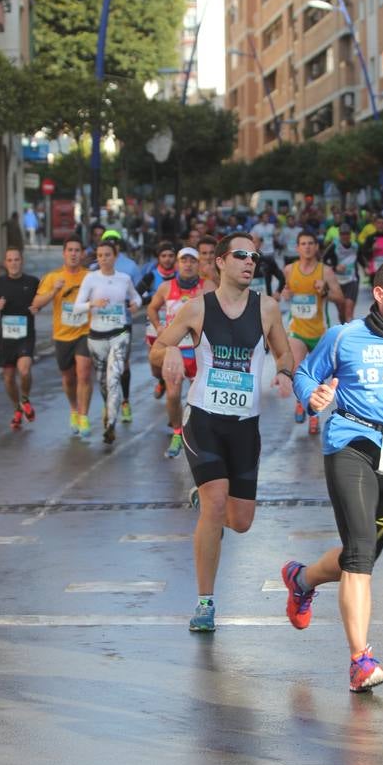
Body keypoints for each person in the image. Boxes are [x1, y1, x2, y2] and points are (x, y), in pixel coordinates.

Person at [283, 261, 383, 692]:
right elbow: (304, 373)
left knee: (365, 554)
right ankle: (360, 660)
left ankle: (302, 579)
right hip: (351, 444)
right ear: (379, 294)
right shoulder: (344, 337)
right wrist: (310, 394)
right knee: (359, 554)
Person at [149, 232, 294, 632]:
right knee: (214, 506)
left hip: (245, 426)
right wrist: (174, 349)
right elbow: (157, 348)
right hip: (206, 421)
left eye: (255, 257)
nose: (251, 262)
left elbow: (283, 352)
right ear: (222, 262)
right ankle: (205, 603)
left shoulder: (266, 308)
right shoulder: (196, 309)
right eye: (242, 255)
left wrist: (283, 372)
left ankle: (206, 504)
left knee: (241, 520)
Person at [147, 247, 214, 458]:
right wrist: (158, 326)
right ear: (177, 264)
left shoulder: (208, 286)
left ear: (198, 265)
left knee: (200, 399)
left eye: (192, 261)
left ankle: (198, 436)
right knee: (174, 395)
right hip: (174, 351)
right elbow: (151, 308)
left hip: (198, 352)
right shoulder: (167, 287)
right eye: (183, 260)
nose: (188, 264)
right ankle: (177, 432)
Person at [73, 240, 142, 444]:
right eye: (100, 255)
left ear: (115, 256)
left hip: (119, 333)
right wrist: (92, 303)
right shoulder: (91, 278)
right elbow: (77, 307)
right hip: (96, 336)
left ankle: (110, 423)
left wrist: (134, 305)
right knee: (103, 381)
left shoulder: (124, 278)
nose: (103, 259)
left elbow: (137, 298)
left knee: (114, 378)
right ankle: (109, 410)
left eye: (107, 255)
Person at [282, 230, 344, 435]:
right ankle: (302, 402)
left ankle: (314, 414)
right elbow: (283, 291)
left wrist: (325, 289)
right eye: (303, 243)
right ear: (298, 247)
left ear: (316, 247)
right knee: (297, 370)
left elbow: (339, 297)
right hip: (297, 330)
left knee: (316, 377)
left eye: (311, 243)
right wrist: (285, 293)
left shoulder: (325, 272)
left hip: (319, 332)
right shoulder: (289, 270)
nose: (307, 247)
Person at [31, 235, 93, 437]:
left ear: (82, 254)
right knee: (68, 378)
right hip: (63, 334)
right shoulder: (53, 277)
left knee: (83, 373)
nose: (74, 254)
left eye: (77, 250)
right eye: (70, 250)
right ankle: (74, 409)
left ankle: (84, 416)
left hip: (85, 331)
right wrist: (54, 291)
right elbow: (37, 303)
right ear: (64, 253)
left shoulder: (89, 276)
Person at [0, 248, 39, 430]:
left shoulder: (32, 282)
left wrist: (37, 307)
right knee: (8, 378)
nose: (14, 263)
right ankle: (17, 409)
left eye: (17, 259)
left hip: (26, 335)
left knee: (24, 370)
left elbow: (42, 299)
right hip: (7, 337)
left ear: (21, 261)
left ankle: (25, 399)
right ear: (5, 263)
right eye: (10, 260)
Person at [137, 241, 177, 399]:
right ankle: (160, 380)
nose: (167, 259)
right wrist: (154, 299)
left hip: (175, 325)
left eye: (170, 256)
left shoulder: (181, 276)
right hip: (154, 324)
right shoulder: (151, 276)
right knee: (155, 365)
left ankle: (173, 393)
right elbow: (136, 295)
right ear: (158, 258)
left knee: (175, 359)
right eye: (164, 256)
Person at [322, 223, 362, 322]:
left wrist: (366, 267)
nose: (345, 236)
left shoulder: (355, 246)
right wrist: (335, 268)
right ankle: (343, 329)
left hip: (352, 280)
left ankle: (349, 334)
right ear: (339, 235)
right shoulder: (334, 246)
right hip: (336, 282)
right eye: (343, 234)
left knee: (349, 311)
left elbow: (360, 258)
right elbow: (323, 261)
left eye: (347, 234)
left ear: (350, 235)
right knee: (341, 311)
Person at [249, 233, 285, 298]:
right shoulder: (240, 262)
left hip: (265, 301)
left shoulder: (268, 260)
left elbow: (282, 279)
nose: (251, 245)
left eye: (254, 242)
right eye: (248, 242)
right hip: (246, 302)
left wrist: (278, 292)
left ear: (260, 244)